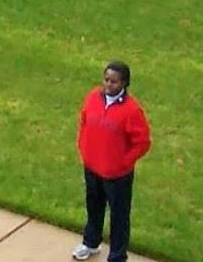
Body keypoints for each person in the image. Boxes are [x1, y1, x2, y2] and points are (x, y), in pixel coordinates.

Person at [73, 61, 150, 262]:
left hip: (117, 175)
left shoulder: (132, 111)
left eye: (114, 82)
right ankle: (90, 243)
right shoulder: (92, 98)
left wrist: (123, 162)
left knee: (119, 217)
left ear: (124, 83)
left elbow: (142, 142)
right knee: (93, 207)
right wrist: (84, 148)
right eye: (106, 80)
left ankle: (117, 256)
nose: (108, 84)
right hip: (92, 167)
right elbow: (84, 121)